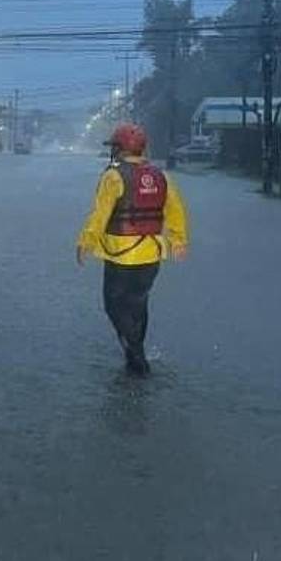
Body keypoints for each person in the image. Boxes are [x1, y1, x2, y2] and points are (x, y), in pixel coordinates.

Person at [75, 123, 189, 376]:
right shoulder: (161, 176)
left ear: (120, 149)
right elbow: (175, 210)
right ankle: (134, 355)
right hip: (151, 255)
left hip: (121, 255)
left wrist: (86, 242)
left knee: (114, 305)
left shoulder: (113, 177)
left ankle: (137, 356)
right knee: (138, 304)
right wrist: (179, 241)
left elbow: (100, 215)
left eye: (114, 147)